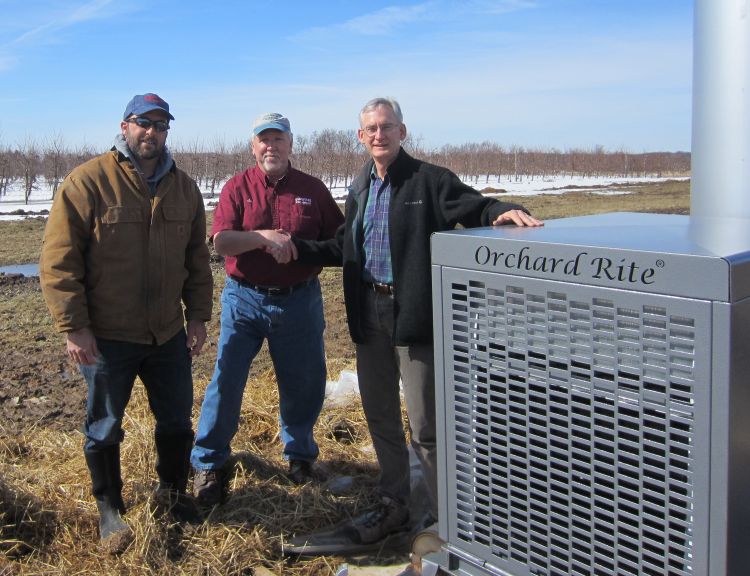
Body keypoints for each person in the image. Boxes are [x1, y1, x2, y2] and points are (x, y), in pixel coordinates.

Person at [284, 97, 543, 552]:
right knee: (380, 415)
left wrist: (501, 210)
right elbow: (346, 245)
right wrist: (298, 248)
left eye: (387, 126)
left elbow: (472, 207)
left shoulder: (429, 179)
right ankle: (394, 500)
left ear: (402, 132)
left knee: (427, 425)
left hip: (412, 317)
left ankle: (451, 521)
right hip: (368, 315)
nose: (379, 135)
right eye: (371, 128)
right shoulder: (361, 184)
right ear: (360, 137)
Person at [39, 93, 213, 554]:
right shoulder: (87, 182)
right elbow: (59, 262)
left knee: (176, 420)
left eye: (160, 125)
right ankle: (109, 509)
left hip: (167, 334)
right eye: (144, 123)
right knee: (104, 425)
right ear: (125, 126)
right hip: (108, 337)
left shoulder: (185, 188)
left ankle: (173, 493)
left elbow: (197, 260)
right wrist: (74, 327)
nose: (152, 133)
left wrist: (197, 316)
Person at [190, 112, 345, 506]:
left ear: (291, 145)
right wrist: (262, 238)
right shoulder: (236, 187)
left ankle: (300, 458)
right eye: (264, 140)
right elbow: (221, 242)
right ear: (253, 146)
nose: (271, 147)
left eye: (279, 140)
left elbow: (340, 240)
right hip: (244, 298)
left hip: (300, 300)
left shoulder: (313, 189)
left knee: (305, 381)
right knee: (226, 379)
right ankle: (209, 462)